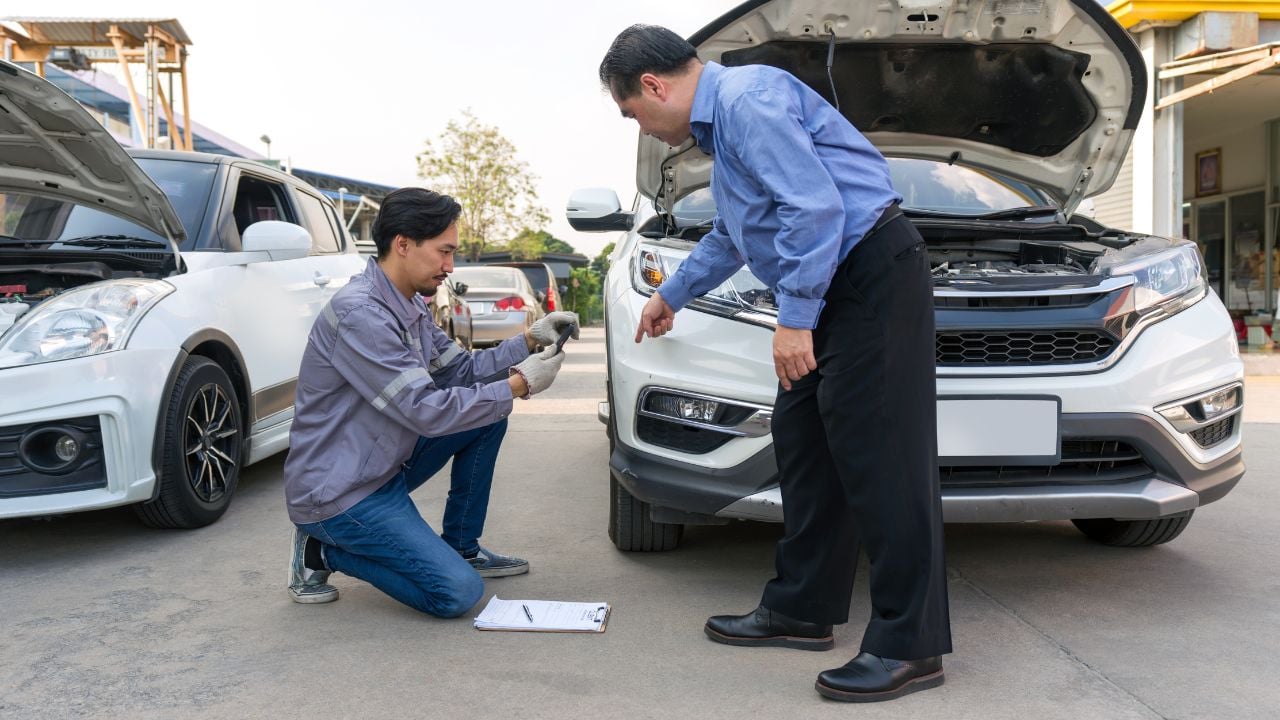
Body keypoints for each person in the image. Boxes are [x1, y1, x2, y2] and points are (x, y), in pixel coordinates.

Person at [599, 25, 951, 702]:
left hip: (866, 276)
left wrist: (795, 319)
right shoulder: (725, 129)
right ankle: (802, 608)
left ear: (652, 86)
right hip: (835, 281)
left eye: (632, 114)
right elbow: (736, 232)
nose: (640, 127)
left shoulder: (747, 101)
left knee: (883, 462)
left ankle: (913, 645)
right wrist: (671, 294)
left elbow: (814, 209)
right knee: (806, 443)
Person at [283, 187, 578, 617]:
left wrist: (529, 341)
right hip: (339, 491)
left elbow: (459, 371)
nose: (450, 266)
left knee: (487, 418)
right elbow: (425, 410)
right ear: (403, 244)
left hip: (380, 463)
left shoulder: (407, 305)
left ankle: (461, 546)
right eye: (443, 252)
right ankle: (320, 552)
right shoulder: (361, 315)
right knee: (456, 593)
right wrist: (518, 385)